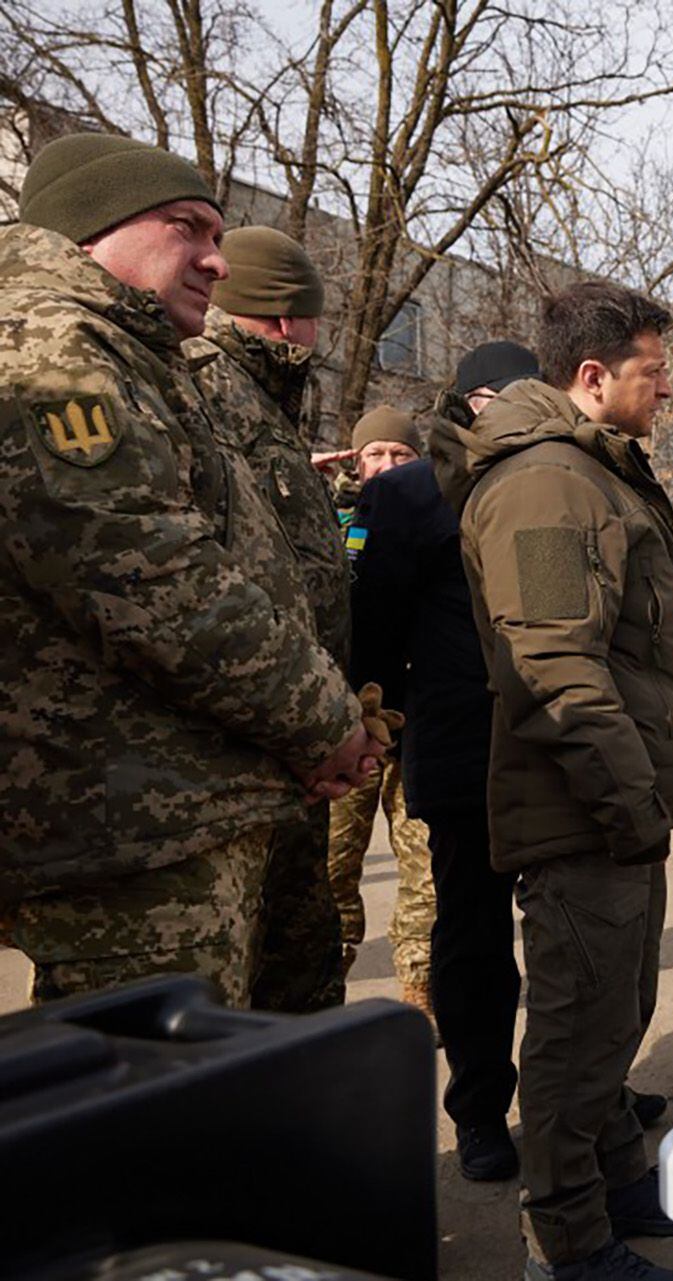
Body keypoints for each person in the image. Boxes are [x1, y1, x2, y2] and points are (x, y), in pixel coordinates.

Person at [0, 132, 380, 1005]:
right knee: (156, 1114)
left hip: (185, 803)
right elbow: (155, 580)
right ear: (94, 229)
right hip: (132, 823)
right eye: (188, 229)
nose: (216, 260)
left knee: (221, 1099)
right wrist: (325, 721)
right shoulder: (52, 349)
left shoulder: (132, 355)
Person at [435, 282, 673, 1281]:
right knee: (573, 1031)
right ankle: (568, 1237)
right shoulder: (548, 482)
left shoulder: (600, 472)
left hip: (619, 805)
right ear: (592, 378)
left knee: (615, 1020)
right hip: (584, 810)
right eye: (653, 370)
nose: (669, 389)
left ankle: (620, 1181)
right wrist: (632, 800)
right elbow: (552, 662)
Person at [351, 339, 540, 1183]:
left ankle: (582, 1094)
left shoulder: (551, 477)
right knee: (472, 939)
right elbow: (377, 630)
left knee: (577, 932)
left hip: (554, 740)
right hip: (464, 746)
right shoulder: (408, 493)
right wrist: (378, 721)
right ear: (476, 400)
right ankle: (478, 1111)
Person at [186, 225, 351, 1013]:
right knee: (258, 988)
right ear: (288, 319)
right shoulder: (208, 387)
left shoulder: (261, 399)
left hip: (286, 745)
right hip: (247, 753)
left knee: (295, 967)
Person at [327, 404, 437, 1022]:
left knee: (423, 865)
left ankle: (420, 989)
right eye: (377, 455)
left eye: (401, 455)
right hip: (342, 726)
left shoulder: (439, 519)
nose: (389, 466)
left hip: (417, 722)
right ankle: (325, 989)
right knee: (332, 866)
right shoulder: (326, 520)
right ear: (357, 460)